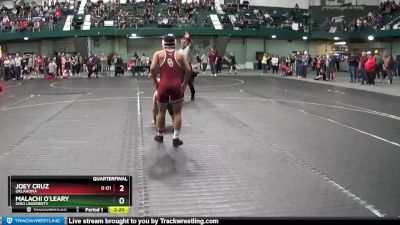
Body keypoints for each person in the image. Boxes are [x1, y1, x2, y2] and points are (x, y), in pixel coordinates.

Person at [150, 34, 191, 147]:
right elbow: (188, 70)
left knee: (161, 111)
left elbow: (152, 68)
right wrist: (184, 84)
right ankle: (176, 138)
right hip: (176, 85)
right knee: (177, 112)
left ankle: (160, 135)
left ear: (163, 43)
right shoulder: (180, 55)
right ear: (175, 43)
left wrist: (156, 81)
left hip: (163, 84)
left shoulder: (158, 54)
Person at [178, 32, 196, 101]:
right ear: (180, 43)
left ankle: (193, 93)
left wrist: (188, 37)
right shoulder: (179, 51)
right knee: (181, 82)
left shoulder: (189, 48)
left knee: (189, 81)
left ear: (186, 42)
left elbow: (192, 44)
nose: (183, 43)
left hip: (188, 66)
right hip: (181, 68)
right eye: (182, 42)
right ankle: (181, 96)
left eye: (184, 42)